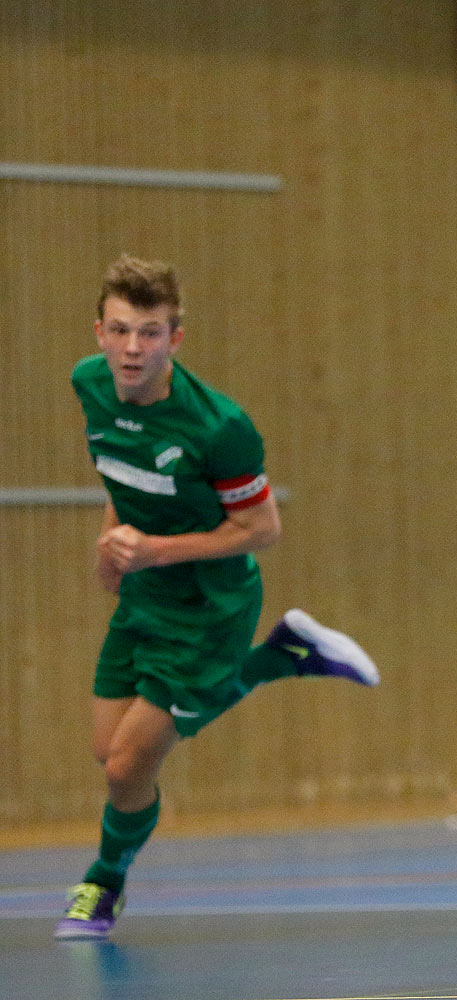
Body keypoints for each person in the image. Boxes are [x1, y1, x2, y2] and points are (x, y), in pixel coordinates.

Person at [54, 255, 380, 940]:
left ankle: (102, 885)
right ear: (99, 333)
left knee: (125, 767)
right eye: (120, 331)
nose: (133, 348)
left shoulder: (220, 427)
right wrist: (111, 546)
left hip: (209, 610)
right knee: (106, 749)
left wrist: (153, 551)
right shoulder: (91, 386)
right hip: (142, 598)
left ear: (176, 338)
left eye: (150, 333)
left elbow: (262, 528)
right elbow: (124, 475)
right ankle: (284, 656)